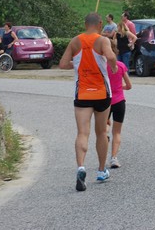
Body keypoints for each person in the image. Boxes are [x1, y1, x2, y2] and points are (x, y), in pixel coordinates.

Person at [59, 13, 118, 191]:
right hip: (102, 93)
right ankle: (101, 170)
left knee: (82, 133)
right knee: (101, 132)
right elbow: (111, 56)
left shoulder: (75, 41)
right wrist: (114, 67)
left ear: (85, 24)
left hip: (83, 94)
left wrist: (76, 64)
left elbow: (62, 64)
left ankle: (81, 167)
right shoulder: (102, 40)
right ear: (100, 24)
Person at [106, 41, 132, 169]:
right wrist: (119, 87)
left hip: (104, 101)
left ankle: (105, 140)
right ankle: (114, 158)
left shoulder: (101, 67)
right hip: (119, 101)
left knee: (104, 128)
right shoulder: (120, 66)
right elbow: (129, 86)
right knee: (117, 132)